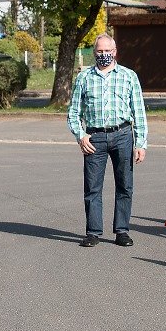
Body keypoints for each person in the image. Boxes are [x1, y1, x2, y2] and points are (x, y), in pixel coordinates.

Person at [66, 34, 148, 247]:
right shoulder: (84, 78)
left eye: (107, 51)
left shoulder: (129, 76)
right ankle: (93, 232)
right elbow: (73, 112)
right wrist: (80, 135)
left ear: (115, 51)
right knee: (93, 187)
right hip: (95, 138)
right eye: (100, 52)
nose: (104, 55)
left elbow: (138, 112)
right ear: (94, 53)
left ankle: (122, 230)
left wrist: (140, 143)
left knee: (125, 185)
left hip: (122, 135)